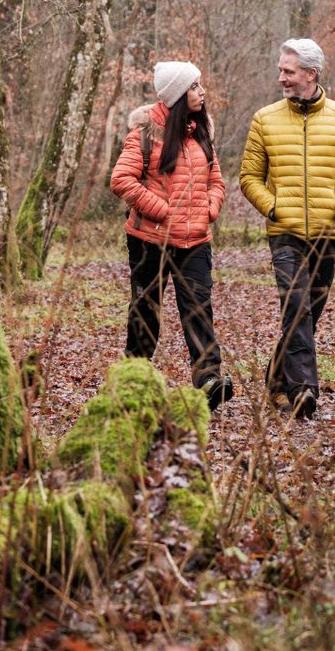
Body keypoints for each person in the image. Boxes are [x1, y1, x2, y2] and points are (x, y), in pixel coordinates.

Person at [239, 39, 335, 420]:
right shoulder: (264, 119)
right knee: (296, 306)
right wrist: (272, 205)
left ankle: (276, 378)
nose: (281, 77)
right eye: (281, 70)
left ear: (311, 74)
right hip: (284, 233)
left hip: (327, 233)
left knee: (307, 315)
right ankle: (304, 391)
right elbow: (249, 177)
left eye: (288, 71)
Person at [110, 61, 235, 409]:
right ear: (179, 94)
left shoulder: (201, 131)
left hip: (195, 241)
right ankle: (134, 377)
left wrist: (210, 208)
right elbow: (121, 180)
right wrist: (163, 211)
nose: (202, 91)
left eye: (200, 84)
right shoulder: (145, 132)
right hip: (149, 241)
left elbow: (216, 178)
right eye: (195, 86)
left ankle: (208, 379)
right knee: (145, 309)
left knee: (198, 308)